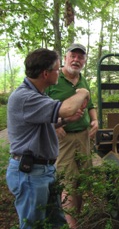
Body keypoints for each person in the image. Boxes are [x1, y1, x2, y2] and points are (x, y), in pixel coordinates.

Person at [6, 48, 90, 229]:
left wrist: (66, 120)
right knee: (33, 225)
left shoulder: (37, 94)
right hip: (30, 173)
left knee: (56, 223)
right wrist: (82, 92)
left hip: (43, 170)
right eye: (56, 69)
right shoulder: (25, 97)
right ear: (45, 74)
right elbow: (66, 107)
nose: (59, 72)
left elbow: (42, 124)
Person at [46, 43, 98, 228]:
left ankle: (76, 217)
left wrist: (95, 120)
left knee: (82, 179)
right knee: (67, 181)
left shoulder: (83, 80)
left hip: (83, 137)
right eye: (73, 56)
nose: (76, 60)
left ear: (84, 61)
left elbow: (90, 105)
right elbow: (40, 106)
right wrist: (52, 124)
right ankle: (72, 225)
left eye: (80, 57)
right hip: (63, 139)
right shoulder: (53, 78)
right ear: (65, 59)